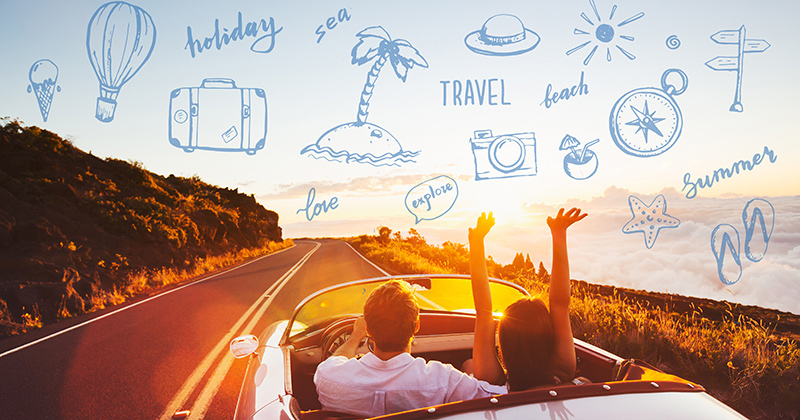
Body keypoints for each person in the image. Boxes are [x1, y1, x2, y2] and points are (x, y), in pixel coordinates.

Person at [314, 279, 506, 417]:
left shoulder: (328, 377)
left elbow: (335, 361)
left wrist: (355, 336)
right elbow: (500, 396)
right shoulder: (443, 380)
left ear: (369, 330)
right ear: (416, 326)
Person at [468, 208, 587, 391]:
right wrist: (559, 234)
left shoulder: (493, 381)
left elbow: (484, 312)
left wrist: (476, 243)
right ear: (549, 337)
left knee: (468, 365)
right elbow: (559, 304)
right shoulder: (563, 370)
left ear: (504, 345)